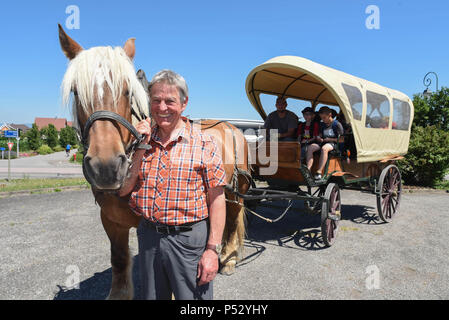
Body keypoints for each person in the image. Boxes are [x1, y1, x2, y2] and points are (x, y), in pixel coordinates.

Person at [130, 70, 227, 300]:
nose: (162, 107)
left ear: (184, 103)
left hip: (188, 240)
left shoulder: (204, 143)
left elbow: (217, 199)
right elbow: (124, 189)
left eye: (169, 101)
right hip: (149, 238)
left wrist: (212, 250)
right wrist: (141, 147)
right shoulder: (140, 142)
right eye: (156, 100)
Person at [305, 106, 344, 180]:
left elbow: (342, 139)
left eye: (324, 117)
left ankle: (319, 172)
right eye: (321, 118)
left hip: (334, 144)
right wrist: (319, 138)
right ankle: (308, 170)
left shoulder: (337, 124)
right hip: (323, 142)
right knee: (310, 147)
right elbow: (320, 134)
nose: (323, 120)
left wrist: (329, 139)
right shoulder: (322, 124)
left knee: (324, 148)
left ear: (330, 115)